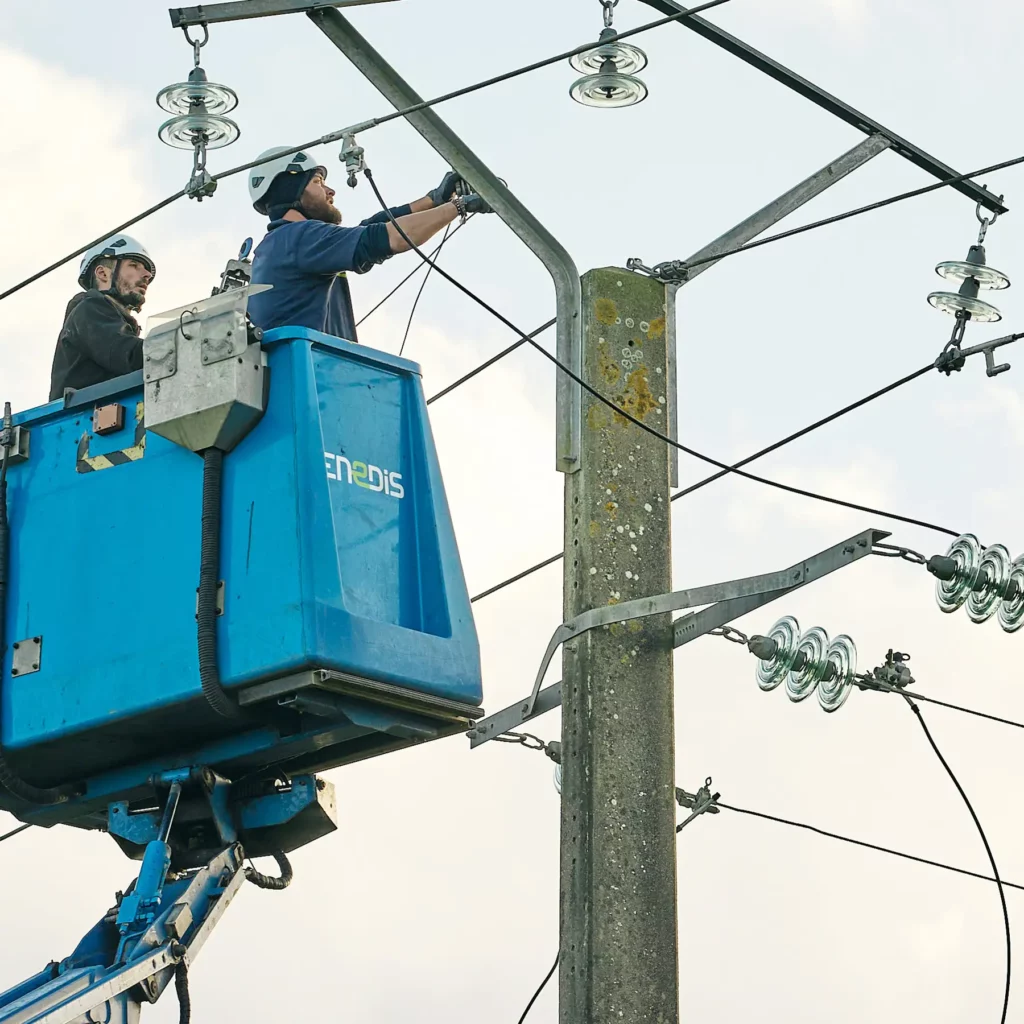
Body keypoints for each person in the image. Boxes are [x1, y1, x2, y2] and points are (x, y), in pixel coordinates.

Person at [245, 148, 492, 342]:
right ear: (291, 191)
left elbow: (365, 231)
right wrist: (461, 206)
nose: (330, 191)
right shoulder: (298, 238)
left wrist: (433, 200)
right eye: (318, 182)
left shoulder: (283, 245)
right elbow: (388, 237)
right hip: (317, 381)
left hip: (309, 381)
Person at [49, 235, 156, 401]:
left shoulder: (115, 323)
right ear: (103, 274)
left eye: (146, 270)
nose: (147, 275)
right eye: (134, 265)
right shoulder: (89, 310)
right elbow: (130, 356)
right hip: (84, 420)